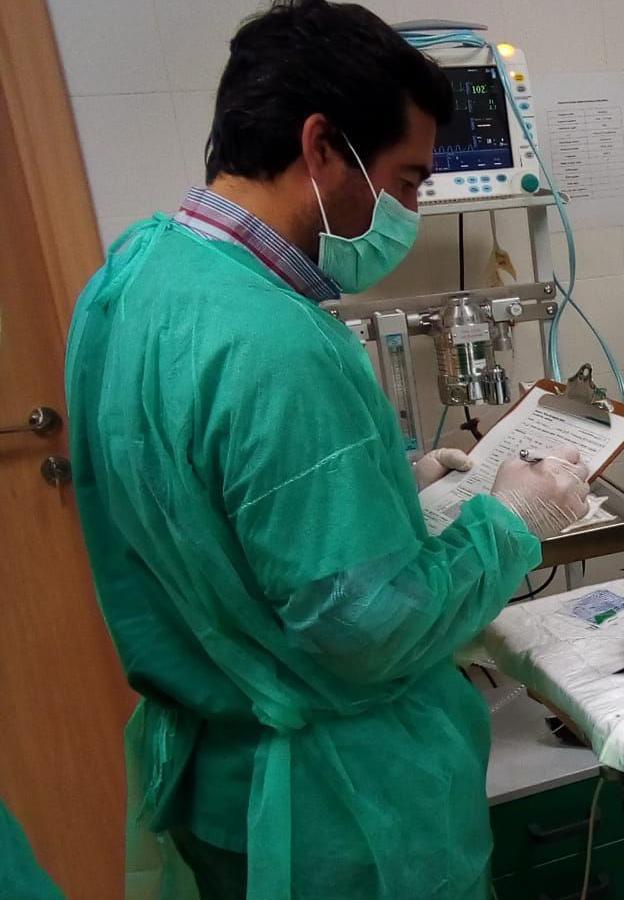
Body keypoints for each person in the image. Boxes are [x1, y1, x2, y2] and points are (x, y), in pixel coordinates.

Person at [65, 2, 592, 897]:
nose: (412, 211)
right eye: (408, 179)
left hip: (220, 782)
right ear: (320, 146)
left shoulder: (132, 277)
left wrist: (384, 484)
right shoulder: (281, 343)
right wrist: (509, 521)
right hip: (333, 814)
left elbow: (199, 507)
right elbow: (365, 631)